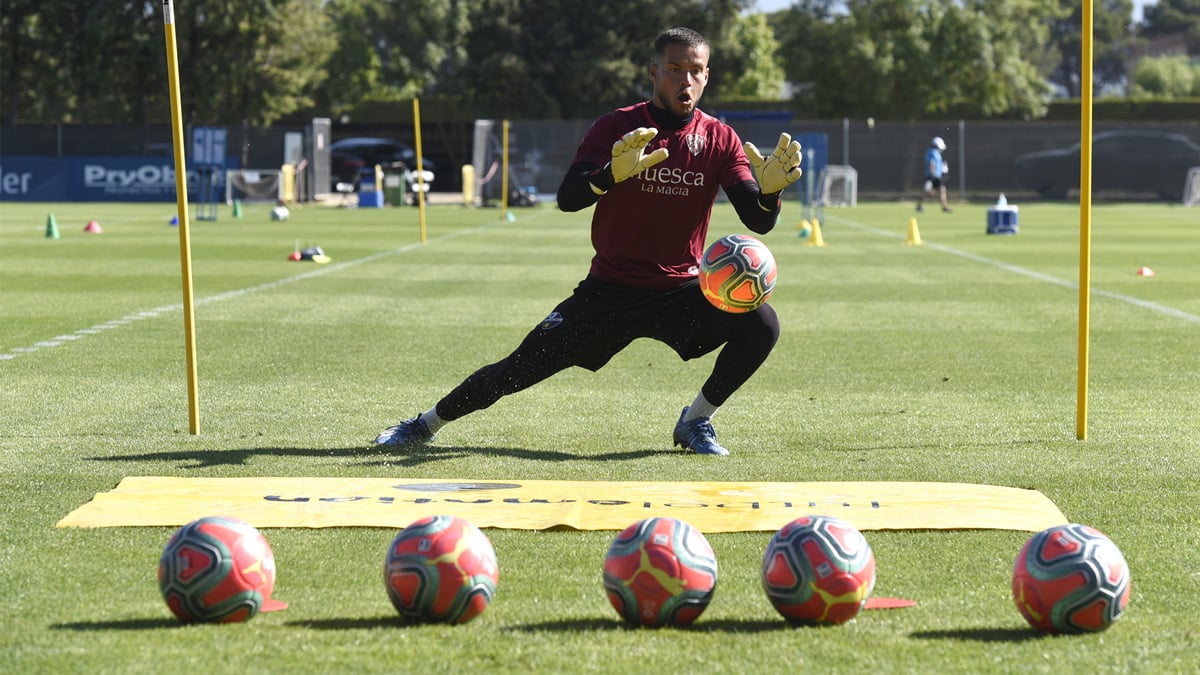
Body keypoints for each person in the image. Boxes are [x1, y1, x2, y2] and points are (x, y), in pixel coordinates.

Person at [373, 27, 802, 456]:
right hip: (609, 291)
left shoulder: (719, 138)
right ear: (653, 72)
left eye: (695, 71)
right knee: (515, 370)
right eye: (674, 69)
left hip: (681, 290)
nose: (684, 80)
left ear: (707, 76)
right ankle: (424, 424)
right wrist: (610, 174)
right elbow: (568, 197)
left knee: (761, 322)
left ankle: (695, 421)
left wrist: (769, 193)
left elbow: (757, 221)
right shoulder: (617, 126)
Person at [917, 136, 952, 213]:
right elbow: (932, 163)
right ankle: (920, 205)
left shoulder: (934, 152)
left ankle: (944, 206)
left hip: (936, 175)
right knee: (931, 192)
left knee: (940, 190)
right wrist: (932, 175)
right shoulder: (933, 152)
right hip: (934, 176)